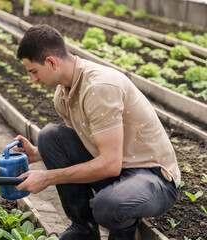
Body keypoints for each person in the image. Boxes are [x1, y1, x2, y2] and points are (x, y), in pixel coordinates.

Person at [13, 24, 181, 240]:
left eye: (33, 71)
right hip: (121, 170)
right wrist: (37, 153)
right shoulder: (63, 94)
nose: (33, 79)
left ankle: (123, 231)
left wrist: (47, 178)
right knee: (50, 137)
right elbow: (84, 147)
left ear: (51, 62)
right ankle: (83, 228)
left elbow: (110, 165)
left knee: (107, 206)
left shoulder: (99, 87)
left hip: (154, 178)